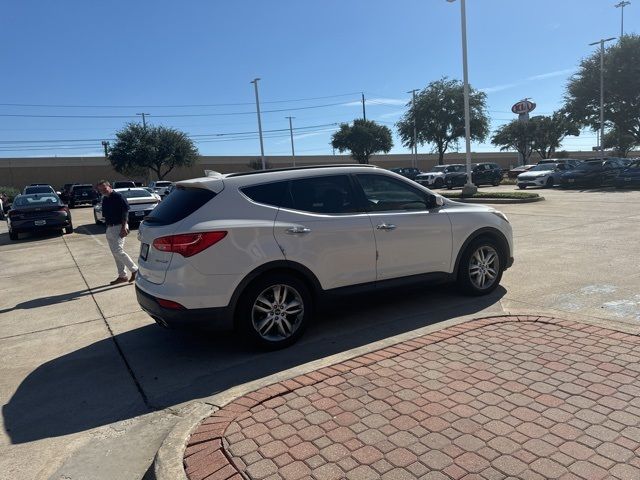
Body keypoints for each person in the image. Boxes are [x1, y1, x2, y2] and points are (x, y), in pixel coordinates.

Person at [96, 180, 138, 285]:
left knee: (117, 251)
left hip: (119, 226)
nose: (103, 191)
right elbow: (106, 215)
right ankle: (122, 276)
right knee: (116, 253)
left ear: (109, 186)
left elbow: (125, 212)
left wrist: (124, 227)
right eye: (100, 190)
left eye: (104, 188)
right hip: (110, 228)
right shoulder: (105, 199)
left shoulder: (118, 196)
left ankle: (135, 270)